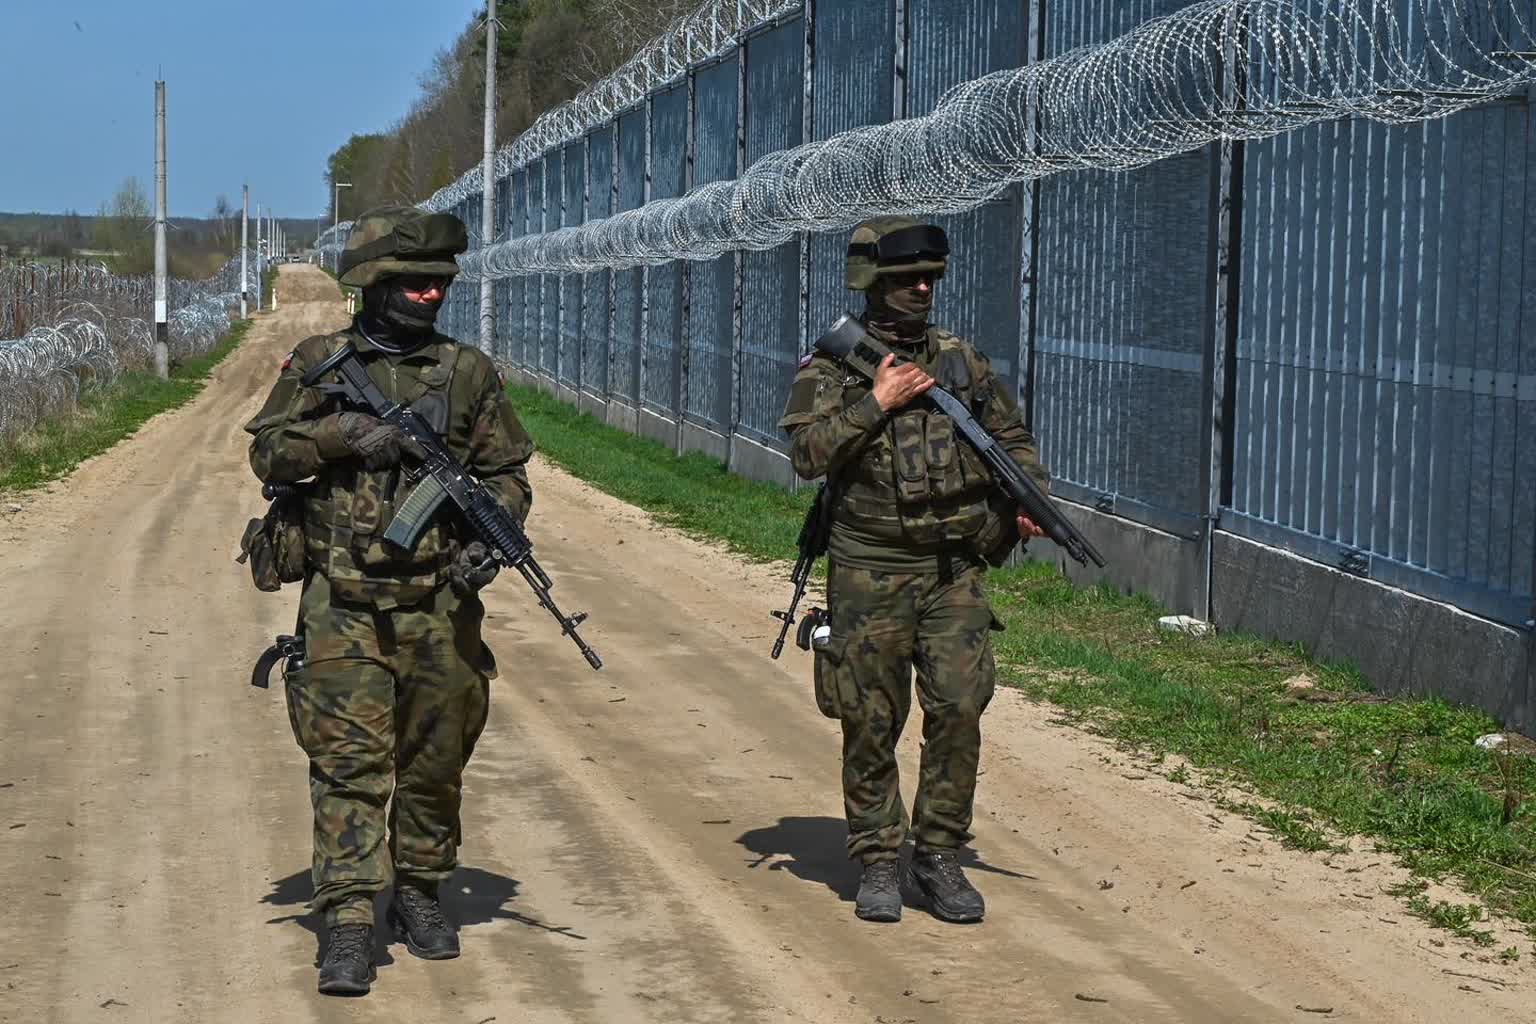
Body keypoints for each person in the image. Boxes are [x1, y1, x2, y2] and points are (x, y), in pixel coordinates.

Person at [245, 205, 534, 994]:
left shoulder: (467, 372)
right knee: (349, 766)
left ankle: (419, 891)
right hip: (341, 603)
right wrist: (340, 439)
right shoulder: (320, 361)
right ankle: (344, 919)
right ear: (372, 285)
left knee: (436, 761)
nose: (430, 297)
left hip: (438, 606)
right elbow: (267, 448)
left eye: (438, 284)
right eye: (413, 285)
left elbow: (508, 472)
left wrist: (490, 533)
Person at [777, 216, 1050, 925]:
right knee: (872, 716)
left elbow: (1013, 438)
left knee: (960, 705)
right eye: (907, 280)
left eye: (931, 279)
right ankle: (875, 856)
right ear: (873, 282)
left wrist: (1026, 495)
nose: (923, 290)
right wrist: (878, 403)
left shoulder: (960, 363)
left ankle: (937, 854)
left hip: (952, 568)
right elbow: (806, 456)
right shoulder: (832, 368)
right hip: (869, 566)